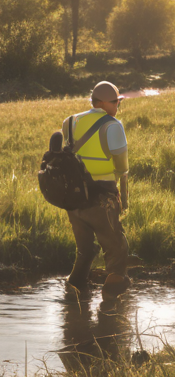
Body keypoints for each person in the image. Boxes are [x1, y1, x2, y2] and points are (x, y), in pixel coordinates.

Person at [62, 81, 130, 301]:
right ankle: (110, 300)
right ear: (102, 103)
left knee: (84, 248)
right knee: (116, 246)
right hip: (103, 197)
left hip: (74, 198)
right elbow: (122, 167)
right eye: (115, 102)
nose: (118, 106)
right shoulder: (113, 126)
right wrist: (122, 190)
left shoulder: (69, 121)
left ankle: (74, 292)